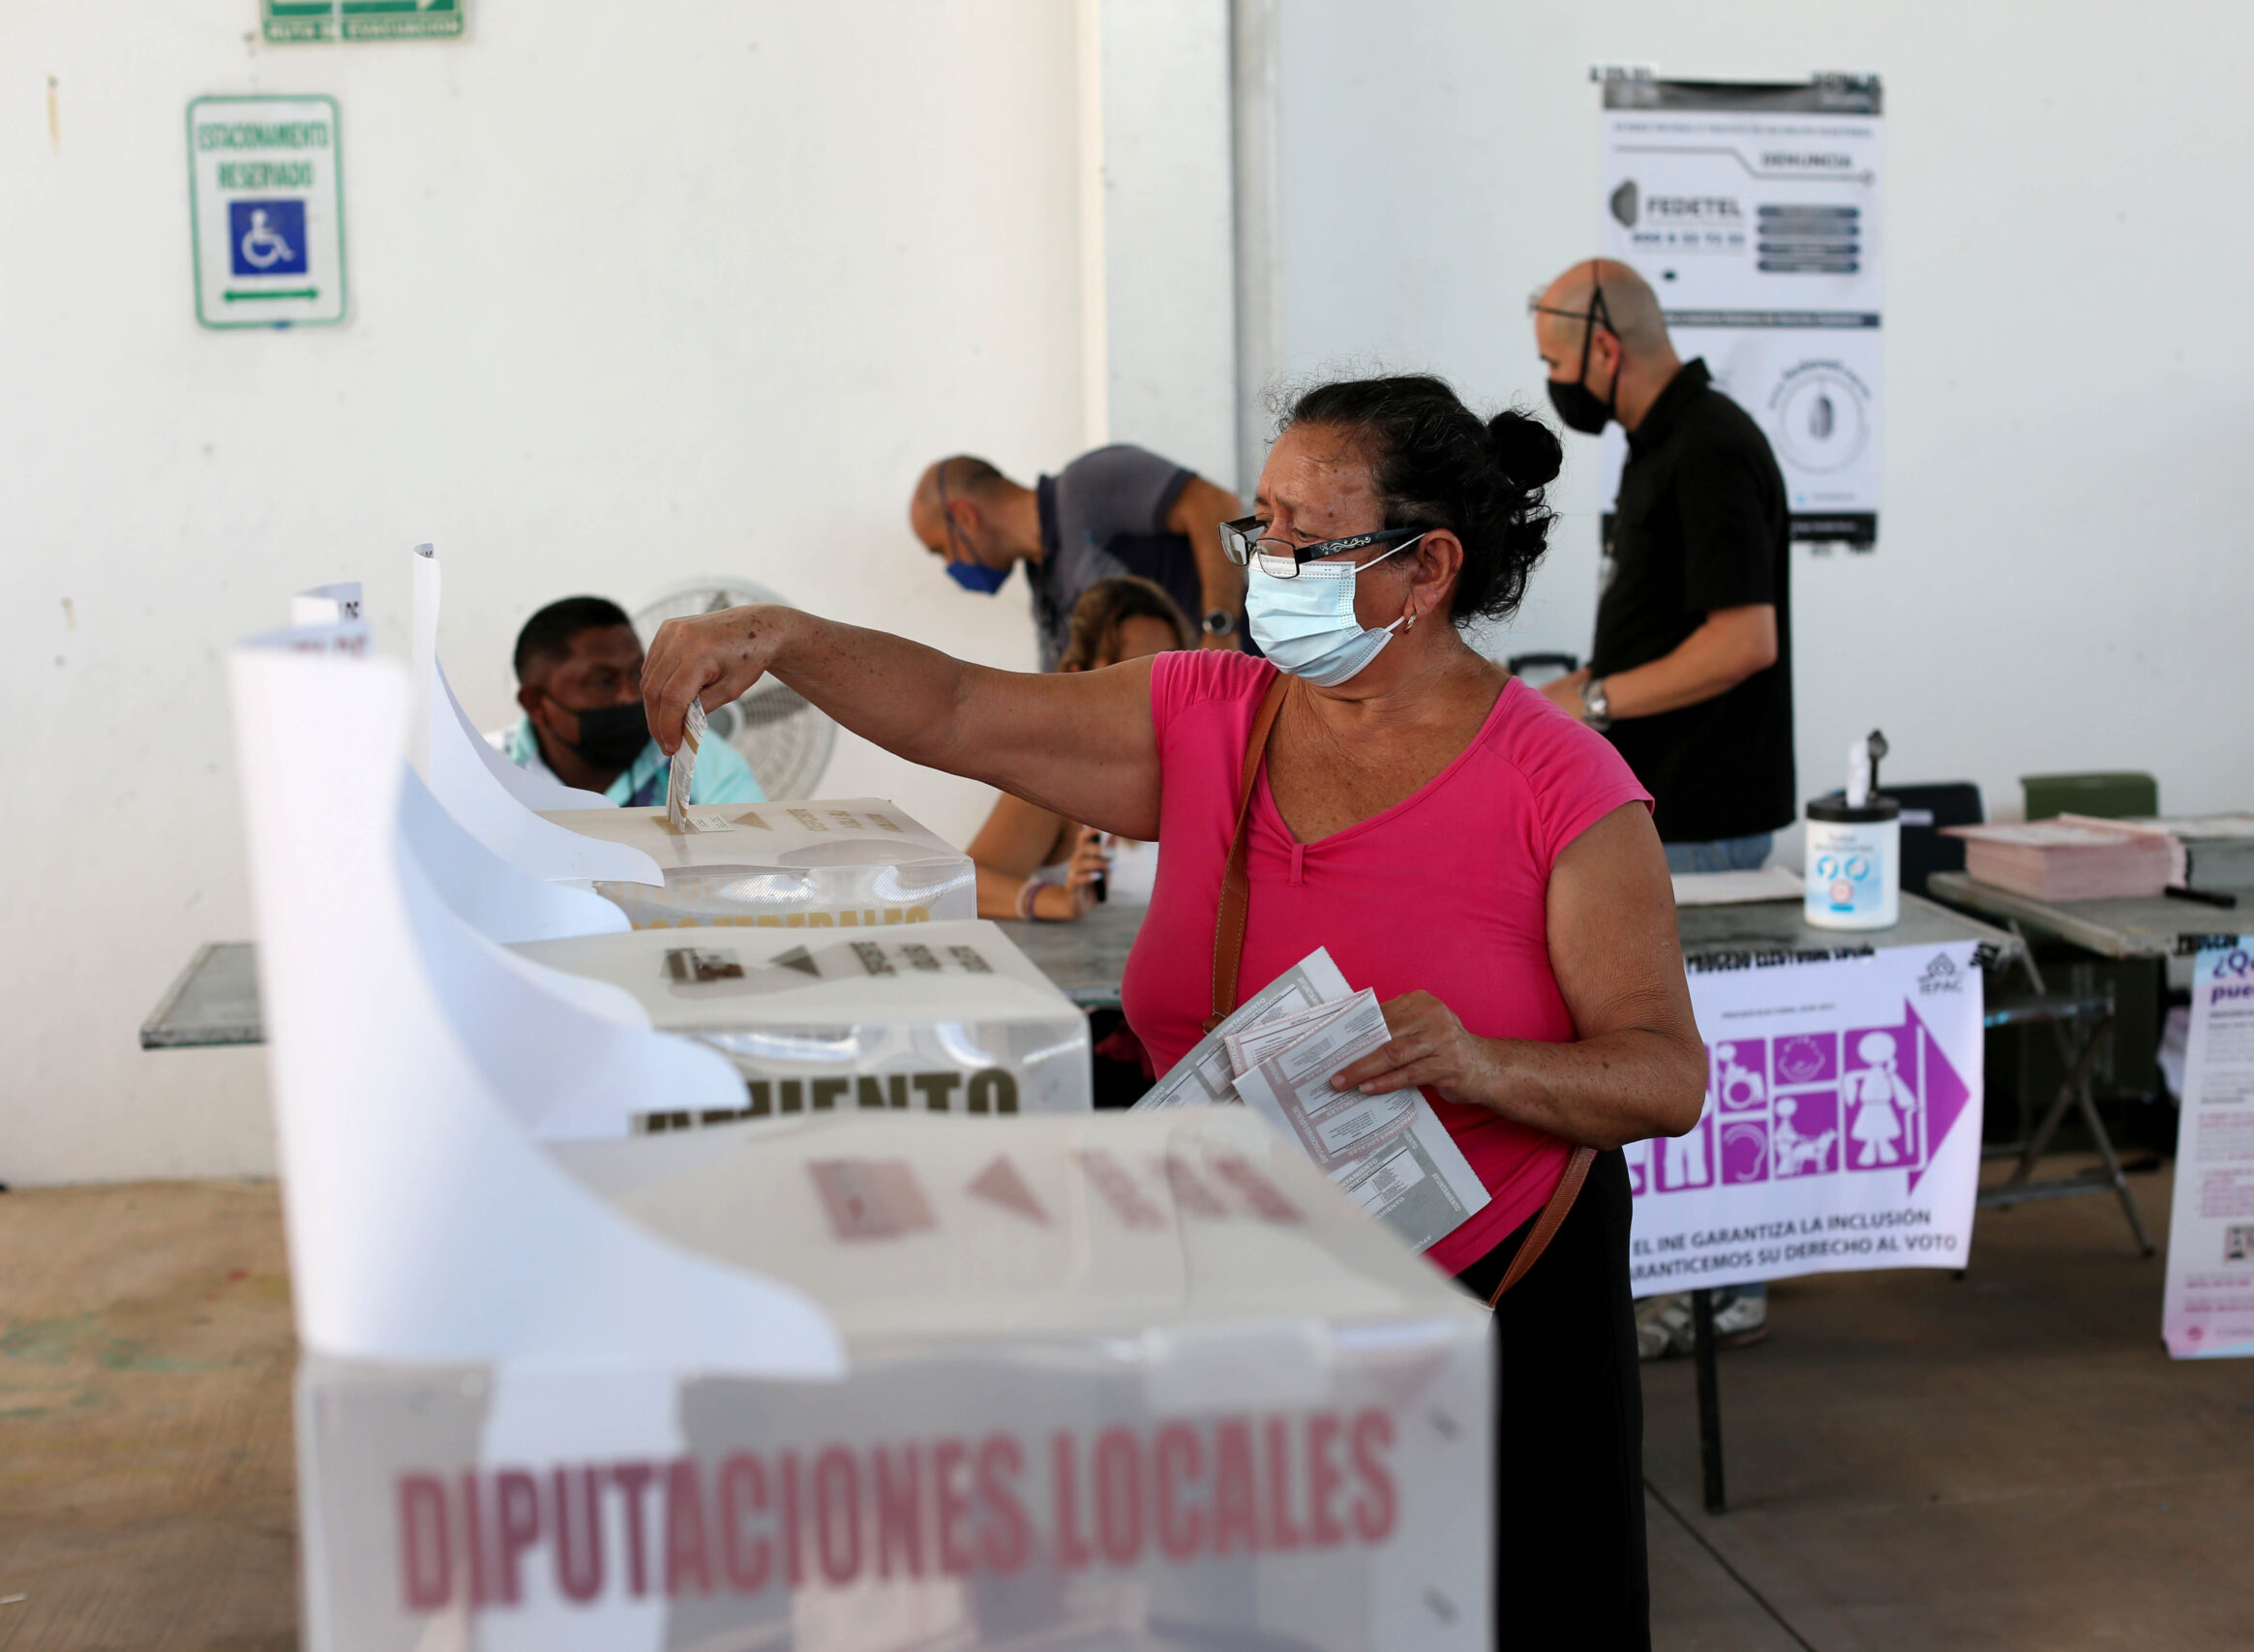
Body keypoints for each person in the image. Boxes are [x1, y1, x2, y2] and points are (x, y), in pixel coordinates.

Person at [646, 374, 1708, 1651]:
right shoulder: (1210, 717)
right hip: (1243, 1303)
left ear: (1428, 568)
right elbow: (963, 709)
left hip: (1485, 1313)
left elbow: (1662, 1075)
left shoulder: (1563, 786)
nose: (1270, 562)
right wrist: (786, 638)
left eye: (1310, 536)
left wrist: (1483, 1062)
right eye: (1263, 525)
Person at [1531, 256, 1793, 1355]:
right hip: (1660, 807)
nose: (1549, 383)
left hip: (1706, 814)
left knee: (1687, 1063)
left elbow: (1744, 639)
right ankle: (1684, 1275)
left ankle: (1716, 1283)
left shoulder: (1710, 446)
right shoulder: (1657, 448)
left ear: (1604, 346)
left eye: (1553, 362)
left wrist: (1586, 698)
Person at [968, 577, 1192, 923]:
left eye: (1170, 671)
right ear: (1079, 676)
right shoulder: (1051, 778)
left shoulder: (1208, 771)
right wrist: (1056, 901)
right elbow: (966, 886)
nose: (1155, 690)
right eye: (1131, 670)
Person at [911, 446, 1248, 668]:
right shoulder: (1044, 590)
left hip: (1255, 689)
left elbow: (1215, 506)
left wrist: (1220, 631)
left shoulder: (1086, 486)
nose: (949, 566)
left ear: (965, 517)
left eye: (941, 550)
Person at [499, 596, 766, 807]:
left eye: (637, 673)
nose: (630, 695)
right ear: (536, 704)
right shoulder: (486, 774)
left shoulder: (699, 760)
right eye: (603, 681)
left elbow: (761, 867)